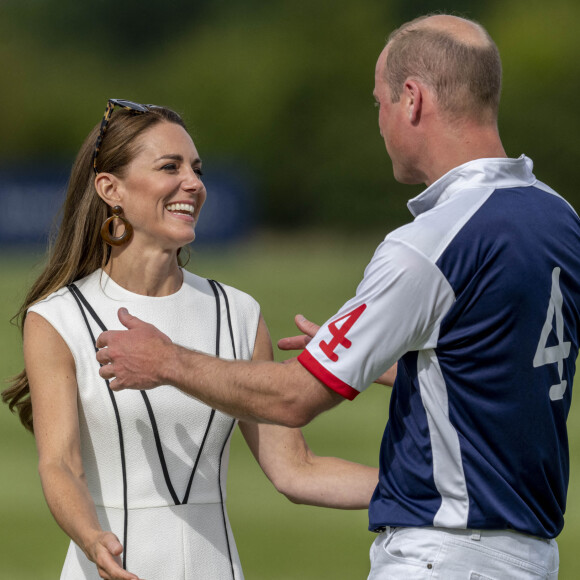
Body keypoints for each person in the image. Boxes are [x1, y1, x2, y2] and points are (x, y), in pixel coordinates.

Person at [94, 14, 580, 580]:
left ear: (413, 99)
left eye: (379, 102)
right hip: (530, 559)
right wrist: (373, 359)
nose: (378, 122)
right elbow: (511, 369)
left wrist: (166, 360)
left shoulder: (429, 244)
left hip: (445, 558)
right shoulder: (558, 217)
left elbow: (294, 399)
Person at [2, 99, 379, 580]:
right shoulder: (57, 319)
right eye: (169, 167)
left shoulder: (239, 314)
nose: (193, 183)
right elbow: (60, 465)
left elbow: (295, 470)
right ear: (109, 188)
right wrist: (91, 538)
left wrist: (435, 491)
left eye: (197, 169)